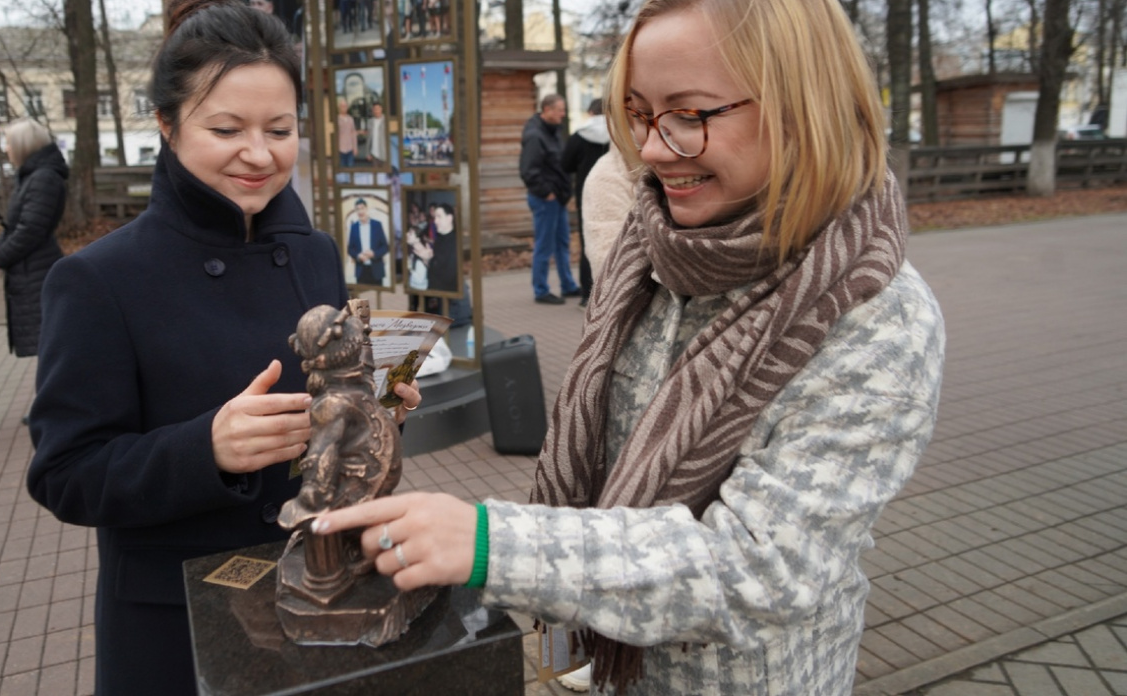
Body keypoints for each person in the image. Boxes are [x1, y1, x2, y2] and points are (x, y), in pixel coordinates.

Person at [311, 0, 946, 694]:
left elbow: (762, 567)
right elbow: (592, 465)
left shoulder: (876, 314)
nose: (649, 150)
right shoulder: (651, 252)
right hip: (615, 674)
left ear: (804, 106)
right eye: (639, 114)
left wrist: (495, 544)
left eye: (689, 115)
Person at [23, 2, 420, 694]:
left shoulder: (315, 252)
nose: (260, 155)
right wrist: (204, 448)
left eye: (280, 129)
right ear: (168, 126)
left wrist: (377, 408)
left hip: (322, 589)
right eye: (226, 128)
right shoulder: (97, 280)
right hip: (177, 617)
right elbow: (65, 472)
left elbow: (325, 404)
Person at [0, 118, 67, 365]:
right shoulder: (31, 176)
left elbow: (31, 229)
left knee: (50, 351)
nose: (6, 148)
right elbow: (13, 223)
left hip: (37, 271)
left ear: (23, 145)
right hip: (28, 270)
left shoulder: (43, 177)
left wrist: (1, 256)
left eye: (9, 143)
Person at [519, 94, 579, 305]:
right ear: (547, 110)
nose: (563, 114)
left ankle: (568, 285)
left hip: (558, 199)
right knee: (544, 245)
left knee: (562, 243)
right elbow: (528, 171)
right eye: (560, 110)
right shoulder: (535, 135)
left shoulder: (552, 132)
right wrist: (547, 193)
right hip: (545, 199)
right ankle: (541, 289)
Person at [561, 98, 609, 307]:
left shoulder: (579, 135)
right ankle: (610, 290)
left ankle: (587, 293)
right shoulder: (618, 133)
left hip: (586, 194)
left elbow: (566, 164)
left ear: (590, 112)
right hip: (614, 193)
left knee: (587, 241)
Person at [346, 198, 389, 285]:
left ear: (366, 209)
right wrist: (358, 256)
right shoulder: (354, 227)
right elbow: (350, 249)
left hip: (376, 270)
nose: (360, 211)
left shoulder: (377, 225)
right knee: (362, 298)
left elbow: (385, 247)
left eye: (362, 208)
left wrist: (374, 254)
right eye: (358, 209)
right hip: (361, 270)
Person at [425, 202, 458, 294]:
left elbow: (449, 274)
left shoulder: (456, 242)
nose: (435, 221)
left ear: (449, 218)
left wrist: (429, 261)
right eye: (435, 217)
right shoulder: (439, 240)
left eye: (439, 217)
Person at [336, 98, 357, 167]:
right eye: (342, 106)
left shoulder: (351, 119)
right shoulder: (336, 119)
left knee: (351, 169)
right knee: (341, 170)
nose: (344, 108)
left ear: (347, 107)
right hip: (340, 149)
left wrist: (355, 147)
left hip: (350, 148)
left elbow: (353, 133)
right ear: (339, 107)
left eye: (345, 106)